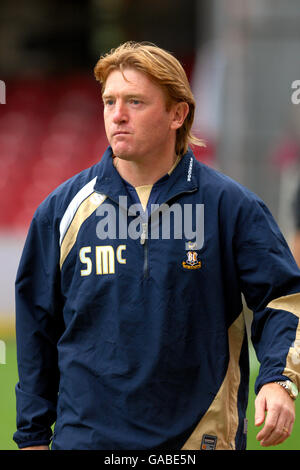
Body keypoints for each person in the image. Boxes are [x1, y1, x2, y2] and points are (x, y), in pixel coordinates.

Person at [13, 41, 300, 451]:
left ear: (177, 114)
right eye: (109, 101)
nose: (117, 115)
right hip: (87, 443)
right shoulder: (61, 210)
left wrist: (277, 379)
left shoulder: (229, 206)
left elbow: (284, 299)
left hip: (198, 442)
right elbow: (36, 330)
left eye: (135, 101)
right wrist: (32, 437)